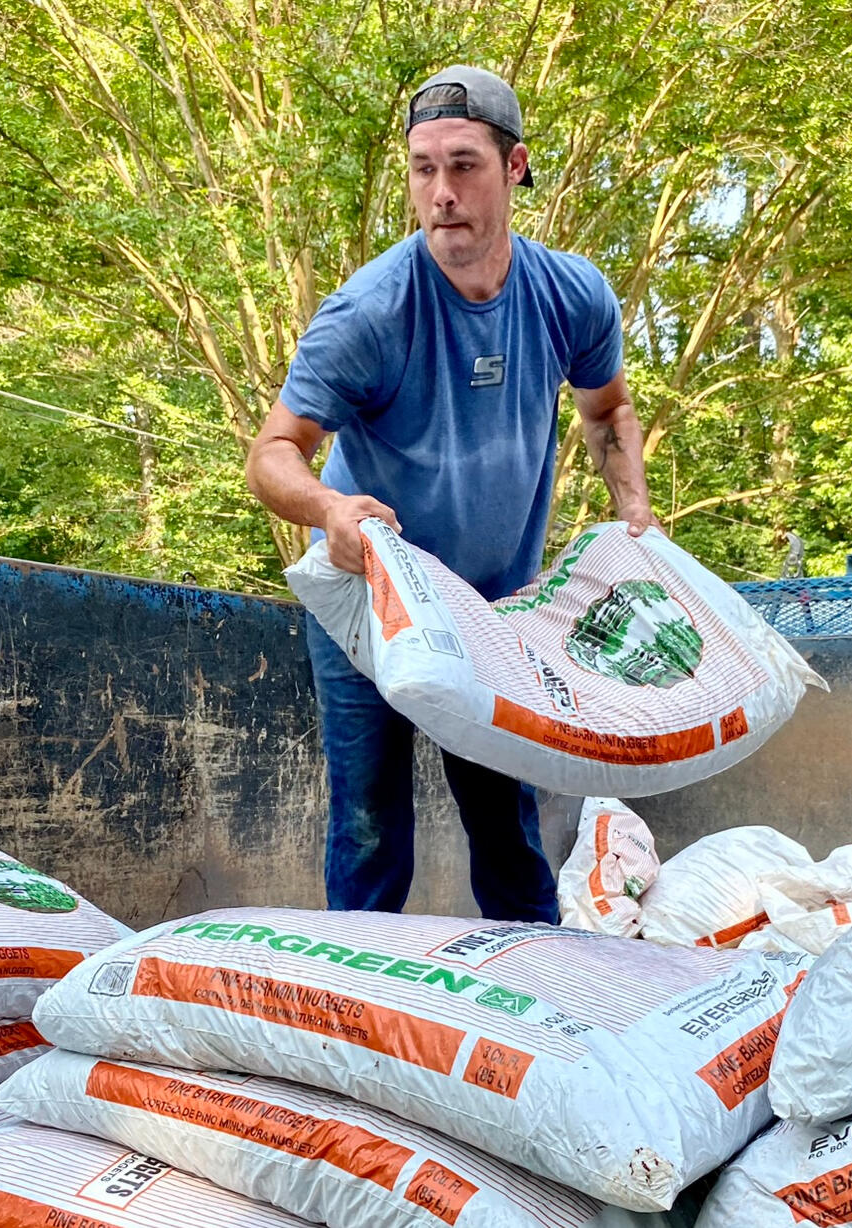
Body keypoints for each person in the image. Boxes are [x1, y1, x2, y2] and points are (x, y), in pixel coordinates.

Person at [246, 64, 659, 923]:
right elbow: (274, 453)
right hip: (377, 604)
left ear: (513, 170)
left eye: (463, 165)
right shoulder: (370, 311)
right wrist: (329, 510)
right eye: (422, 168)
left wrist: (636, 522)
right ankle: (357, 1008)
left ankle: (540, 999)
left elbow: (608, 408)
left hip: (494, 612)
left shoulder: (569, 293)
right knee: (367, 821)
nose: (440, 192)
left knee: (504, 820)